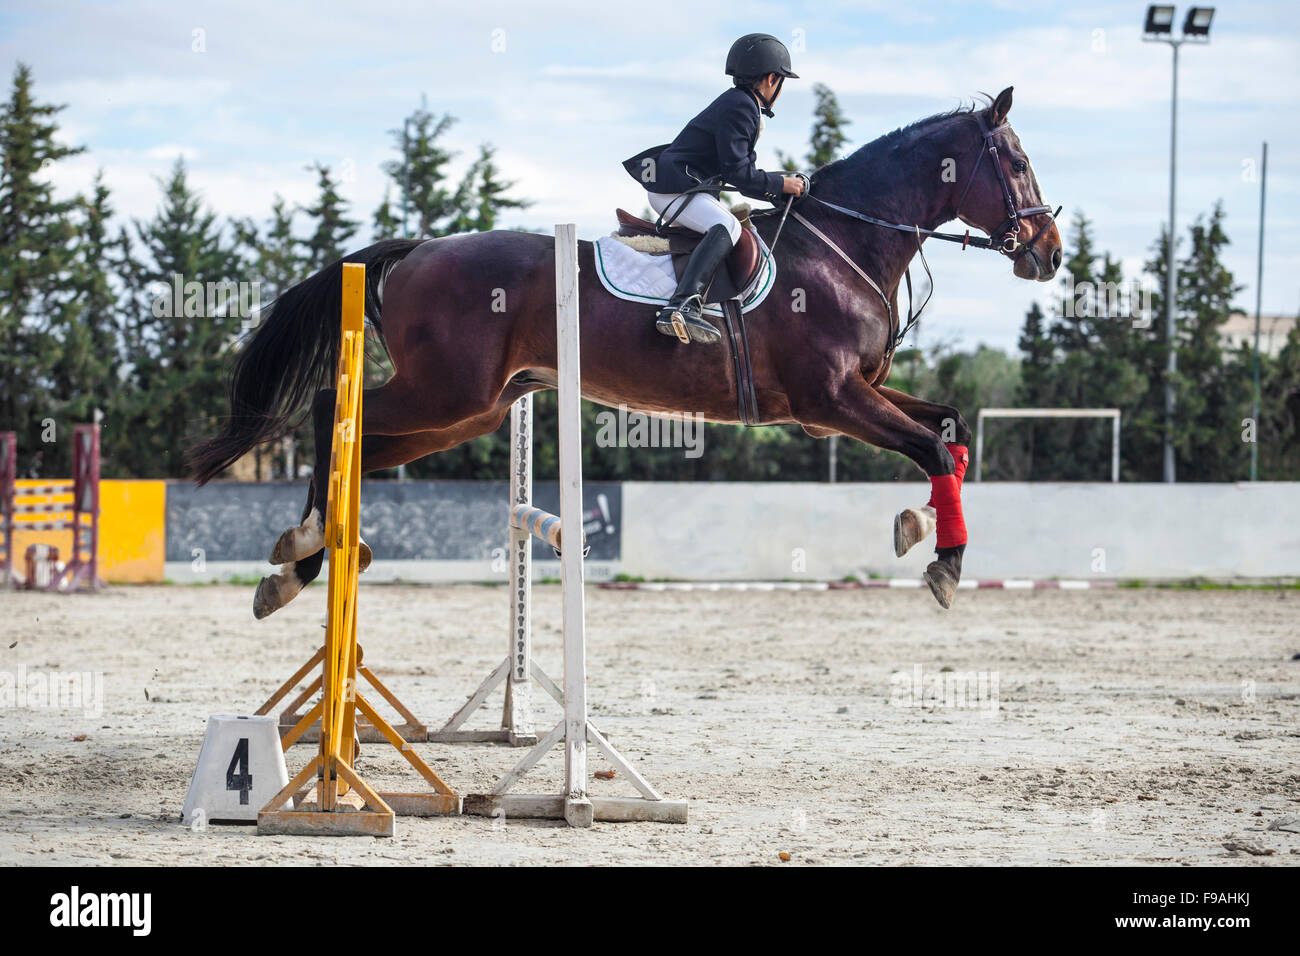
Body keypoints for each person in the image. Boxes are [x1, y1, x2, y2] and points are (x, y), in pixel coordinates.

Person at [622, 34, 805, 345]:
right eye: (781, 81)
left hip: (682, 187)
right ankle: (682, 305)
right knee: (728, 226)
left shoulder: (739, 103)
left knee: (726, 223)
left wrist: (781, 189)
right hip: (674, 189)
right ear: (772, 79)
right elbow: (741, 174)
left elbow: (744, 174)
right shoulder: (742, 107)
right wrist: (781, 184)